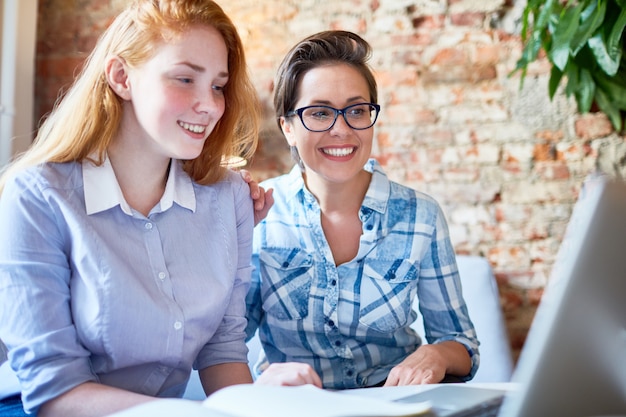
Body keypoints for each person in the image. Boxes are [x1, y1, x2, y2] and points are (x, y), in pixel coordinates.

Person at [0, 1, 271, 416]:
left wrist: (264, 406)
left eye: (218, 85)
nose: (211, 105)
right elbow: (53, 393)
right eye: (185, 78)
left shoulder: (230, 195)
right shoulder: (37, 196)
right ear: (122, 77)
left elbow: (222, 350)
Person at [245, 30, 480, 389]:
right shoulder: (257, 212)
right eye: (320, 113)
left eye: (356, 110)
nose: (341, 129)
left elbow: (462, 345)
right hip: (297, 411)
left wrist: (437, 355)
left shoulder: (421, 216)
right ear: (288, 127)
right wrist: (260, 385)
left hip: (397, 408)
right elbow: (222, 343)